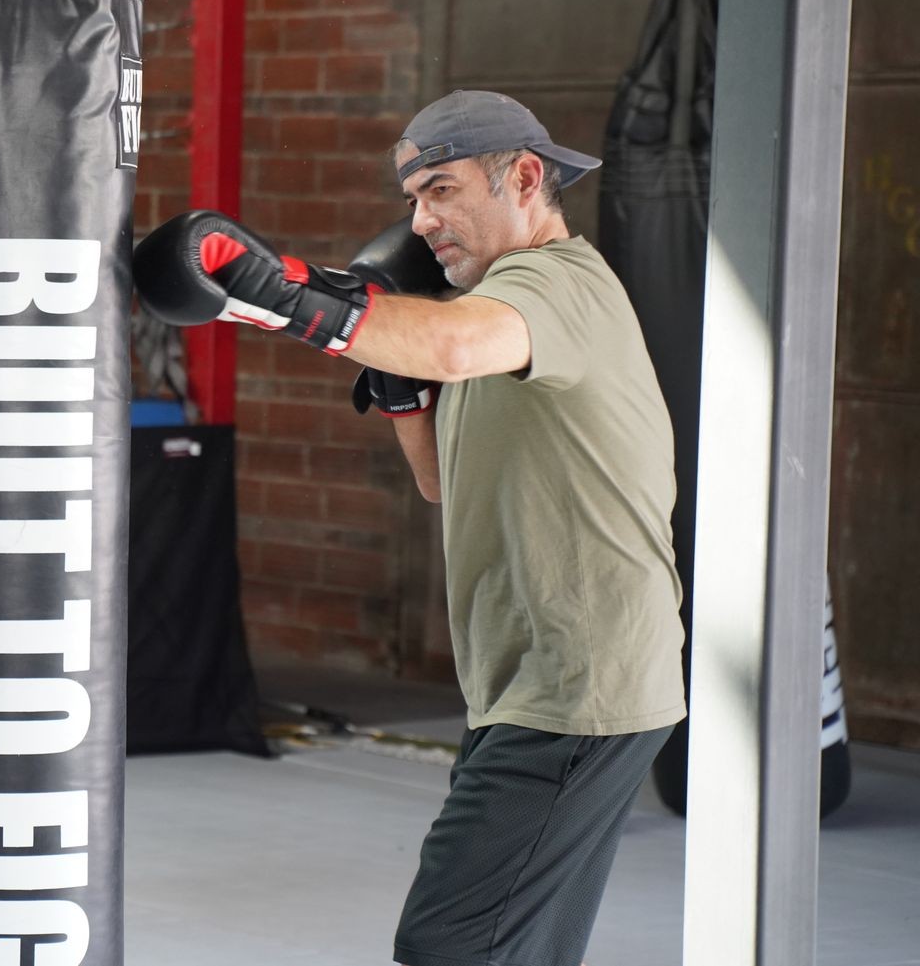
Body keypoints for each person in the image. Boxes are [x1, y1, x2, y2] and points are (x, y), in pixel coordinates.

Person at [133, 89, 686, 966]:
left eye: (441, 189)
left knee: (452, 945)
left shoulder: (554, 286)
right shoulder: (494, 311)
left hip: (575, 684)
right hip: (535, 680)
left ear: (526, 178)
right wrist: (393, 376)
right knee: (516, 948)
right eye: (412, 200)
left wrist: (283, 297)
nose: (422, 219)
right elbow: (440, 481)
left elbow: (454, 348)